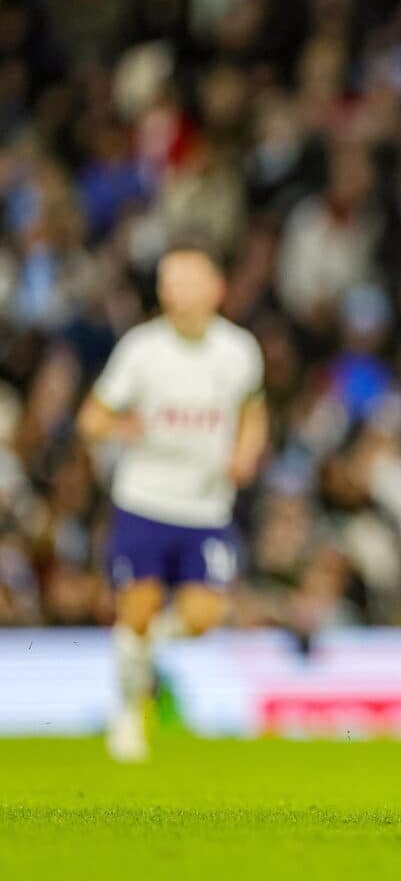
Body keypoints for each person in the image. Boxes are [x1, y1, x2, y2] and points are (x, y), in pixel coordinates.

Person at [77, 239, 267, 761]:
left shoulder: (239, 351)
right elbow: (91, 418)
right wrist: (120, 425)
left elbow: (253, 409)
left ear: (216, 289)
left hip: (207, 506)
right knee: (137, 607)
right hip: (145, 501)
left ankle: (136, 651)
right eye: (168, 283)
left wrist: (247, 450)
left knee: (204, 615)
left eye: (186, 281)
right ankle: (128, 714)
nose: (175, 293)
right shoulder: (141, 349)